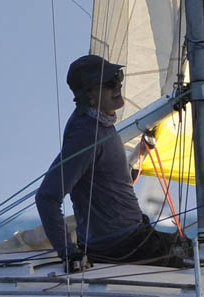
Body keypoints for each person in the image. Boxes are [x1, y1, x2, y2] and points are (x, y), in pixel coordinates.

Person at [35, 54, 180, 270]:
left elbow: (106, 181)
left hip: (130, 238)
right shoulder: (86, 133)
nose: (118, 85)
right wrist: (69, 254)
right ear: (89, 94)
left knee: (197, 253)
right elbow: (46, 197)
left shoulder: (101, 123)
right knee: (203, 258)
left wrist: (138, 156)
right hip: (121, 246)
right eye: (109, 83)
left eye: (118, 76)